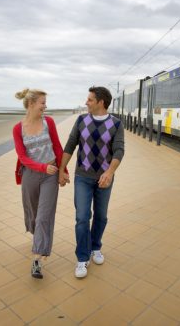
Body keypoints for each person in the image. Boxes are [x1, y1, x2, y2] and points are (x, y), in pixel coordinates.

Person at [59, 86, 124, 278]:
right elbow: (71, 144)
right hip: (83, 177)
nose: (86, 102)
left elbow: (119, 150)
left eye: (89, 99)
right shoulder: (82, 120)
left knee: (101, 216)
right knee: (82, 217)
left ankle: (96, 247)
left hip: (104, 178)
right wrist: (62, 169)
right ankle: (82, 257)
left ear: (100, 102)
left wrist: (110, 172)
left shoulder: (116, 124)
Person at [13, 88, 66, 279]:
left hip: (50, 175)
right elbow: (22, 157)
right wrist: (42, 167)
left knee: (44, 216)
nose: (46, 106)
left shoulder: (49, 122)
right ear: (32, 104)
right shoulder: (18, 129)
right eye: (43, 102)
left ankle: (37, 259)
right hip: (30, 176)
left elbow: (58, 147)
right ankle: (38, 239)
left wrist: (62, 171)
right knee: (34, 215)